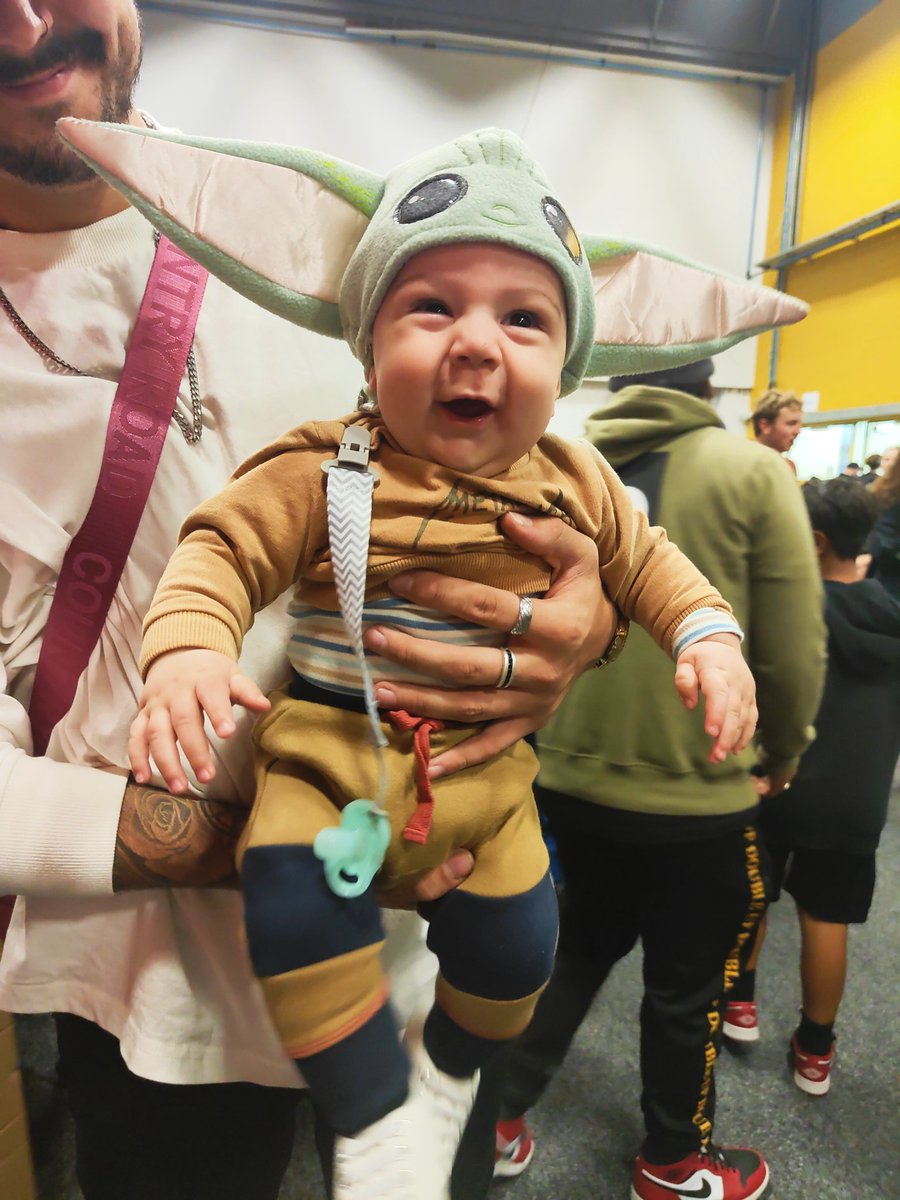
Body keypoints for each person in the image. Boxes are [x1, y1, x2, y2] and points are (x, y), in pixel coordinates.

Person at [0, 6, 621, 1200]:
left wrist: (583, 634)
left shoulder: (335, 225)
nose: (28, 20)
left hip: (423, 955)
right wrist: (264, 842)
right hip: (145, 1003)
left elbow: (550, 496)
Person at [98, 118, 781, 1198]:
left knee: (521, 949)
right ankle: (368, 1110)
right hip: (331, 755)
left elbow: (654, 568)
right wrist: (187, 650)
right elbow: (221, 547)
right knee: (292, 907)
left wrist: (711, 641)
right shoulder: (328, 464)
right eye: (431, 306)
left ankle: (450, 1071)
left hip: (491, 785)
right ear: (369, 345)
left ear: (569, 365)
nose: (476, 344)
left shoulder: (577, 477)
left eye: (525, 318)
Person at [493, 359, 826, 1200]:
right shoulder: (751, 470)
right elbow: (791, 645)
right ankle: (675, 1162)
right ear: (710, 388)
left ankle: (494, 1119)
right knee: (688, 987)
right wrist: (781, 756)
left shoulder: (563, 462)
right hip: (696, 789)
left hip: (562, 776)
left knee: (576, 946)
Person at [730, 478, 900, 1095]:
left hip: (780, 782)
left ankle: (739, 1005)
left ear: (818, 541)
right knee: (828, 919)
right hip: (856, 798)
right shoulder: (891, 613)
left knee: (754, 897)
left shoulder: (792, 610)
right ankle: (815, 1050)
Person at [865, 448, 900, 600]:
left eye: (891, 459)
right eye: (885, 459)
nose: (888, 463)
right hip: (890, 580)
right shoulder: (881, 492)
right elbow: (883, 542)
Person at [749, 387, 804, 474]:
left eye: (799, 424)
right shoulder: (744, 462)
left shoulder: (787, 467)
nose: (798, 431)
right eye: (791, 424)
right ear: (765, 426)